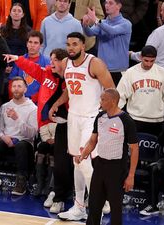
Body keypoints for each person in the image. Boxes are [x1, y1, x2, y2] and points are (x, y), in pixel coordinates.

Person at [49, 32, 115, 221]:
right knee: (77, 162)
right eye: (68, 44)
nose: (71, 47)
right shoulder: (67, 64)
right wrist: (57, 104)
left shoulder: (94, 63)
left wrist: (107, 114)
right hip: (74, 117)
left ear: (83, 46)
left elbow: (111, 90)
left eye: (75, 44)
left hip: (92, 117)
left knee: (84, 160)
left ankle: (99, 202)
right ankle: (79, 206)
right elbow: (69, 90)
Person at [4, 48, 72, 213]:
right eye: (50, 60)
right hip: (47, 123)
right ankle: (51, 191)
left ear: (63, 62)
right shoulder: (47, 73)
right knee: (47, 153)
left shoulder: (72, 77)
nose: (50, 64)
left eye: (54, 60)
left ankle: (63, 193)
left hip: (69, 123)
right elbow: (32, 68)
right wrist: (17, 58)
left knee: (65, 161)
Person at [80, 88, 139, 225]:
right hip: (100, 165)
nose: (100, 102)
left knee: (115, 207)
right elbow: (93, 141)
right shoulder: (100, 117)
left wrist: (131, 175)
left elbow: (134, 149)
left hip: (117, 168)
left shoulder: (126, 121)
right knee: (94, 204)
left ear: (112, 101)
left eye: (103, 99)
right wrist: (83, 155)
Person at [0, 77, 38, 195]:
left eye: (19, 86)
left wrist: (17, 118)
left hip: (24, 141)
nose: (16, 89)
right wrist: (4, 137)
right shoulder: (4, 106)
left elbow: (31, 134)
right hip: (7, 139)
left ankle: (21, 181)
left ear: (25, 89)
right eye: (14, 86)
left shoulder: (33, 108)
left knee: (21, 146)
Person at [117, 45, 164, 136]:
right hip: (135, 120)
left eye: (152, 61)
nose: (149, 64)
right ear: (141, 57)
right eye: (146, 60)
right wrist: (113, 113)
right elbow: (120, 95)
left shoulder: (163, 73)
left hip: (157, 121)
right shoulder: (130, 72)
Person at [82, 0, 132, 85]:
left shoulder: (126, 24)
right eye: (106, 2)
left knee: (119, 98)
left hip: (119, 70)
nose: (106, 5)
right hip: (102, 69)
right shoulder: (103, 22)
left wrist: (96, 20)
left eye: (110, 3)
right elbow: (90, 33)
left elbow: (112, 30)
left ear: (118, 6)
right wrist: (85, 25)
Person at [8, 30, 50, 104]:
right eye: (30, 42)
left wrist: (36, 98)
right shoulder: (19, 60)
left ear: (41, 45)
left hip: (39, 102)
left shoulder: (47, 62)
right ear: (26, 44)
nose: (32, 45)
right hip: (19, 100)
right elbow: (12, 81)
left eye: (36, 43)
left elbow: (48, 84)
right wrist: (14, 98)